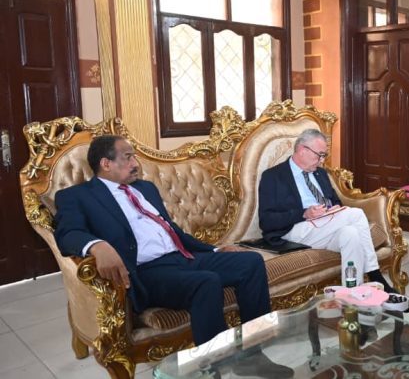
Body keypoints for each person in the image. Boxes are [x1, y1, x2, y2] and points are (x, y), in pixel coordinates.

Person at [54, 135, 292, 378]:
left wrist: (214, 250)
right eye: (128, 158)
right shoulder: (78, 196)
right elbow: (66, 234)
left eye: (134, 157)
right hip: (147, 272)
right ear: (106, 163)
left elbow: (172, 231)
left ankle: (252, 355)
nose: (135, 163)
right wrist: (97, 245)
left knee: (250, 262)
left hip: (183, 256)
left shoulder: (145, 188)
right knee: (206, 282)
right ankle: (214, 368)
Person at [258, 128, 409, 311]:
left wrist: (334, 209)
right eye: (319, 155)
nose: (322, 160)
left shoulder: (320, 174)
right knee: (356, 214)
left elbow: (336, 202)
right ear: (302, 150)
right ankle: (375, 274)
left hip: (323, 227)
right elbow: (266, 221)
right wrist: (303, 213)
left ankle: (353, 302)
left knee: (351, 234)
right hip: (295, 229)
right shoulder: (273, 176)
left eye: (324, 156)